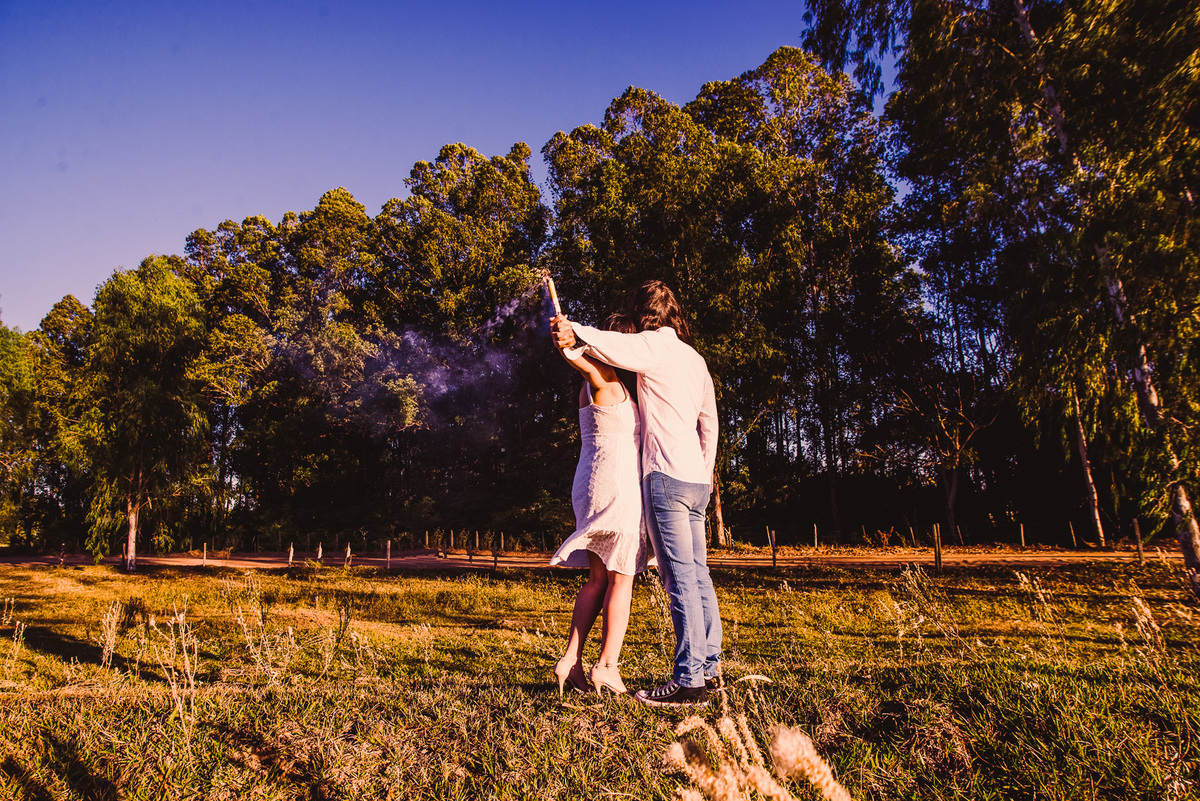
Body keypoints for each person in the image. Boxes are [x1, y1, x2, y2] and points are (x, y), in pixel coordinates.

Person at [552, 280, 721, 708]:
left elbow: (609, 349)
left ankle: (685, 678)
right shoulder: (692, 360)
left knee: (673, 577)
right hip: (677, 482)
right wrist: (705, 471)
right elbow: (710, 422)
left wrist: (575, 332)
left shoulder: (652, 349)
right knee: (693, 575)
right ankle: (703, 669)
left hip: (657, 479)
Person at [550, 313, 651, 697]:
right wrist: (568, 342)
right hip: (616, 487)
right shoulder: (606, 381)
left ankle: (571, 660)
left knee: (597, 578)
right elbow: (580, 361)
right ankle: (607, 665)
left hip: (590, 485)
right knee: (621, 577)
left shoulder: (591, 387)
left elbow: (584, 368)